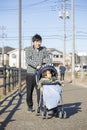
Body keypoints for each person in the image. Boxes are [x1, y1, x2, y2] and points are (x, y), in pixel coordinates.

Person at [25, 34, 52, 112]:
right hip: (30, 74)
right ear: (33, 42)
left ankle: (40, 106)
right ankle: (30, 106)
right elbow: (28, 60)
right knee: (29, 92)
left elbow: (48, 59)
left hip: (40, 74)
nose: (38, 43)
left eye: (39, 41)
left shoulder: (44, 49)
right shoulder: (28, 49)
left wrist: (42, 62)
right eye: (36, 41)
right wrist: (36, 65)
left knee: (40, 91)